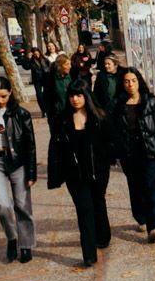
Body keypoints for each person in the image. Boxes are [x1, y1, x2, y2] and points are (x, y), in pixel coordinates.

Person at [107, 67, 155, 242]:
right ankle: (140, 216)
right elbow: (111, 132)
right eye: (126, 81)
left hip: (149, 152)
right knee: (136, 188)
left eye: (133, 81)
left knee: (151, 187)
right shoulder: (116, 105)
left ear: (139, 82)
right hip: (128, 154)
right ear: (122, 84)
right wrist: (111, 154)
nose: (130, 85)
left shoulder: (151, 102)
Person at [48, 81, 112, 267]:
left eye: (79, 95)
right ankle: (89, 253)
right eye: (72, 96)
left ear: (86, 96)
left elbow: (110, 142)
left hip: (98, 171)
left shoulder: (99, 117)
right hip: (74, 174)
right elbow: (55, 149)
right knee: (84, 210)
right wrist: (56, 175)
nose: (75, 99)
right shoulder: (62, 120)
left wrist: (109, 159)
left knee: (98, 203)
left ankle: (103, 235)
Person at [0, 76, 37, 263]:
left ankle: (26, 245)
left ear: (10, 93)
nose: (0, 100)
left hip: (18, 163)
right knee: (2, 205)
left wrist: (31, 173)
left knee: (22, 205)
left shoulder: (22, 114)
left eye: (3, 96)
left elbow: (30, 145)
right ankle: (12, 238)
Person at [36, 53, 74, 127]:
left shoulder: (71, 76)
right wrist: (52, 113)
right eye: (67, 64)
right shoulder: (51, 79)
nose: (70, 66)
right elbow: (47, 98)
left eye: (70, 64)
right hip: (56, 116)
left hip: (70, 114)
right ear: (60, 66)